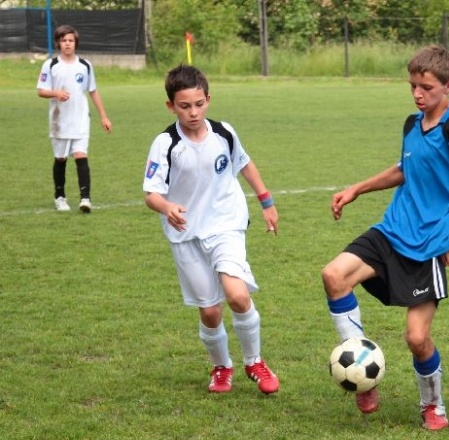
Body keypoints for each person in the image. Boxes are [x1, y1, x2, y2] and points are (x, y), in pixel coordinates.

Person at [321, 45, 449, 430]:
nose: (417, 94)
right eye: (412, 86)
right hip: (393, 229)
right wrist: (357, 189)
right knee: (334, 275)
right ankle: (362, 372)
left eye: (426, 87)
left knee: (416, 338)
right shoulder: (412, 124)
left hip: (428, 245)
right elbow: (405, 168)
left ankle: (433, 404)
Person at [142, 64, 280, 395]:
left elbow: (244, 164)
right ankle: (222, 367)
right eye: (184, 106)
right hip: (186, 233)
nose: (193, 112)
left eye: (199, 104)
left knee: (237, 295)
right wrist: (167, 207)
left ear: (208, 99)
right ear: (171, 106)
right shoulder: (165, 143)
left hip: (225, 223)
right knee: (209, 310)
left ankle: (254, 361)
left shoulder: (223, 133)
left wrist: (266, 201)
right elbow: (151, 194)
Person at [36, 24, 112, 213]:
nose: (68, 44)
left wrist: (103, 116)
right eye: (64, 40)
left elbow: (93, 91)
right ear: (58, 43)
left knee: (81, 156)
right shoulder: (50, 65)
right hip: (59, 121)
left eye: (71, 40)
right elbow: (41, 91)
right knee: (61, 159)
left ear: (76, 43)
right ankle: (60, 197)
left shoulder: (85, 65)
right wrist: (56, 93)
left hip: (80, 120)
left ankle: (85, 199)